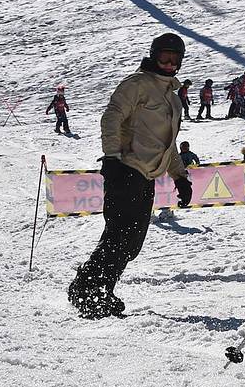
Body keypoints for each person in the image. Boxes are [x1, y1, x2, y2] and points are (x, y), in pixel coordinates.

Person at [68, 33, 192, 319]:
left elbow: (168, 144)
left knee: (132, 243)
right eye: (164, 57)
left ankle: (103, 290)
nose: (170, 64)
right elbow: (111, 117)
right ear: (153, 56)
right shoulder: (137, 84)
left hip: (146, 177)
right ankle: (87, 290)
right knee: (118, 236)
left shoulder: (172, 99)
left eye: (175, 59)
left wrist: (180, 177)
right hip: (126, 169)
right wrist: (112, 158)